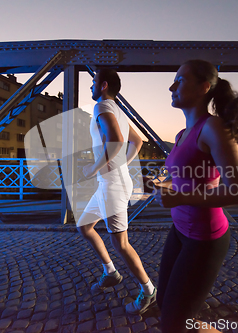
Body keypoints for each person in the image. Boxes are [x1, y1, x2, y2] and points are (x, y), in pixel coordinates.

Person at [154, 59, 238, 332]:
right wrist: (162, 182)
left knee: (174, 324)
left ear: (204, 87)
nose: (172, 86)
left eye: (181, 80)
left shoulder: (213, 128)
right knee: (164, 304)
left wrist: (181, 197)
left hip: (205, 238)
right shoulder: (181, 134)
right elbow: (178, 174)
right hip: (179, 230)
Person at [77, 68, 157, 315]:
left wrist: (93, 167)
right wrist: (121, 162)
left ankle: (149, 291)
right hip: (109, 183)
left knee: (121, 243)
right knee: (85, 226)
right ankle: (110, 272)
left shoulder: (102, 108)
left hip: (112, 185)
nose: (90, 86)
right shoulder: (117, 110)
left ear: (103, 85)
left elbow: (116, 140)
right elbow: (138, 141)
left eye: (93, 82)